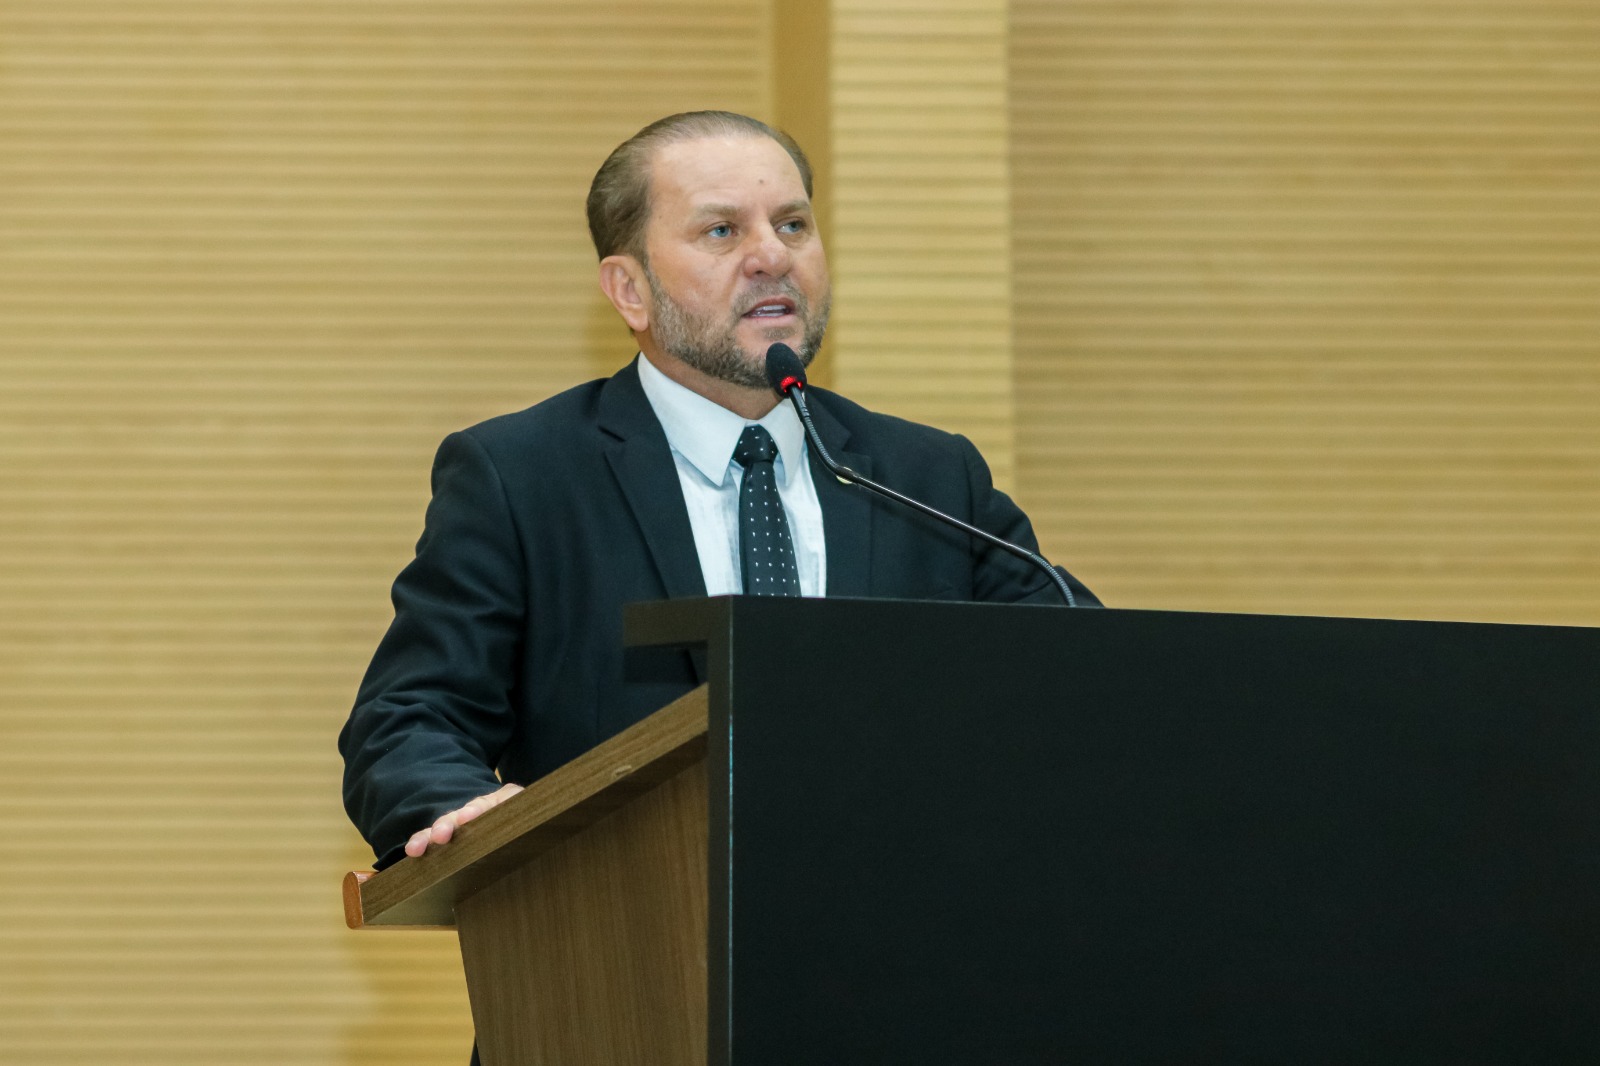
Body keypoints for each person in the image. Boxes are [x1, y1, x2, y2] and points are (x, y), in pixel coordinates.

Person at [340, 111, 1098, 871]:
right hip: (627, 918)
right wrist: (461, 807)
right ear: (630, 290)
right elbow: (409, 719)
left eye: (793, 224)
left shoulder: (926, 477)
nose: (772, 256)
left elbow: (1089, 682)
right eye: (722, 231)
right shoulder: (525, 476)